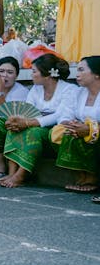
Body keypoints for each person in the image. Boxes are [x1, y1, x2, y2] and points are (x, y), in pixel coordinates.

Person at [0, 53, 78, 188]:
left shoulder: (69, 89)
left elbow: (59, 116)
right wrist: (17, 120)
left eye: (34, 71)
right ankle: (12, 172)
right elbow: (27, 110)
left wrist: (30, 123)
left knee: (33, 133)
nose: (31, 75)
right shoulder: (36, 89)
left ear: (47, 75)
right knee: (14, 128)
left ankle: (21, 175)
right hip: (35, 124)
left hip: (54, 129)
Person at [53, 56, 100, 194]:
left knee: (89, 135)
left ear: (96, 74)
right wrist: (72, 124)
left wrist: (90, 129)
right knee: (66, 133)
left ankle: (92, 176)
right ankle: (82, 176)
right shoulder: (78, 92)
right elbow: (65, 114)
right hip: (80, 131)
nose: (77, 74)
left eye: (81, 70)